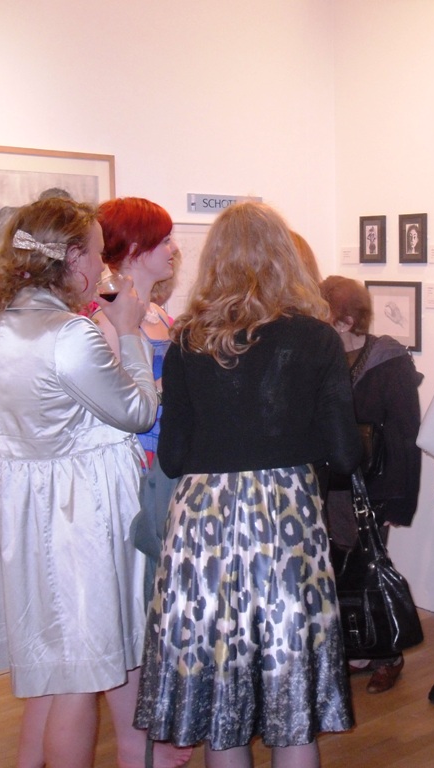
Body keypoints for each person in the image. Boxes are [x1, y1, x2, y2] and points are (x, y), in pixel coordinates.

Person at [134, 201, 362, 768]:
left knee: (222, 703)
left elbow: (173, 456)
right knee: (290, 697)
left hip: (203, 527)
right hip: (285, 521)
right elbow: (344, 453)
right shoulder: (317, 340)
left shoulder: (187, 341)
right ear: (284, 257)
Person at [0, 196, 180, 768]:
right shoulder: (69, 334)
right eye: (97, 253)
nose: (103, 266)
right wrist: (129, 334)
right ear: (72, 258)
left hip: (22, 513)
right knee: (80, 678)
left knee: (52, 670)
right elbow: (138, 412)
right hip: (79, 517)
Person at [319, 275, 423, 694]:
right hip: (330, 484)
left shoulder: (389, 361)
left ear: (345, 320)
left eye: (323, 314)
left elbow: (405, 434)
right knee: (338, 570)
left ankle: (388, 655)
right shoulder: (322, 357)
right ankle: (358, 648)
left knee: (369, 568)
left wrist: (400, 502)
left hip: (373, 487)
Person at [93, 197, 179, 604]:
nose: (173, 249)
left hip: (168, 456)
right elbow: (118, 406)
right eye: (163, 241)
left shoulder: (159, 314)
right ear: (133, 250)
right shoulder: (106, 321)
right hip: (136, 462)